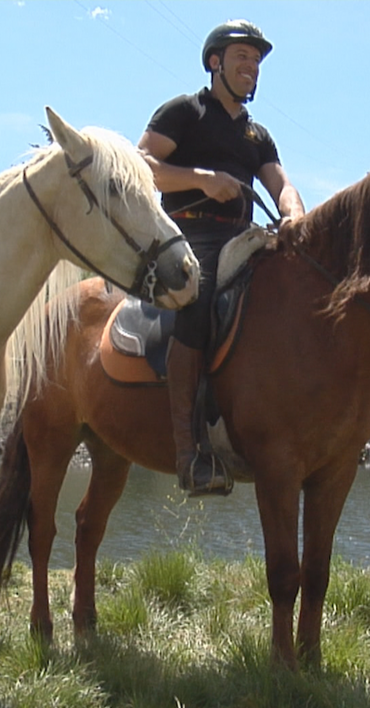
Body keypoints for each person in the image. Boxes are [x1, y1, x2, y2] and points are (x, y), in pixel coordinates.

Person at [138, 19, 305, 495]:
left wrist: (293, 216)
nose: (252, 66)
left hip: (242, 236)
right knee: (198, 298)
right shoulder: (184, 112)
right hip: (188, 233)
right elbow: (142, 165)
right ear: (215, 62)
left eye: (256, 60)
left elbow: (281, 184)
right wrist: (202, 179)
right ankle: (189, 452)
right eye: (242, 57)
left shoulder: (258, 136)